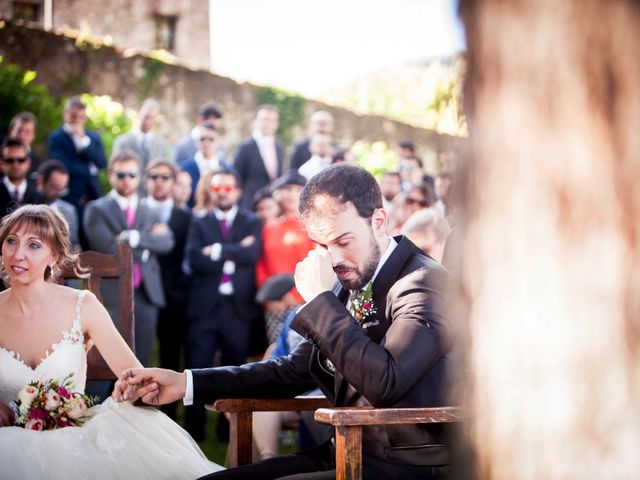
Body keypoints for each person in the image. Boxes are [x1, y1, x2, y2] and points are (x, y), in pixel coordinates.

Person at [120, 164, 460, 480]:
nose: (335, 259)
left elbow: (385, 382)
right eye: (323, 245)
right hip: (344, 453)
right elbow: (293, 371)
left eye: (343, 241)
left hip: (406, 467)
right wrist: (186, 382)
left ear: (378, 221)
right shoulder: (349, 279)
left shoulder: (423, 282)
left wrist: (319, 301)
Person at [0, 204, 221, 479]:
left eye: (33, 245)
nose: (18, 254)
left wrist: (129, 388)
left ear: (54, 256)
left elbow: (136, 376)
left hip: (73, 437)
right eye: (11, 241)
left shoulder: (83, 304)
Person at [183, 169, 263, 441]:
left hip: (238, 308)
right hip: (204, 307)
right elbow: (194, 259)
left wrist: (216, 251)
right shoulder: (199, 222)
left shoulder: (251, 221)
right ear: (211, 191)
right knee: (198, 367)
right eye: (218, 188)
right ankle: (194, 430)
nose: (222, 192)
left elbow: (252, 254)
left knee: (235, 368)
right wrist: (234, 252)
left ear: (237, 191)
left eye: (228, 188)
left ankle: (228, 431)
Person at [83, 151, 174, 367]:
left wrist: (133, 237)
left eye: (132, 174)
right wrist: (147, 243)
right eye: (121, 174)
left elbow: (167, 242)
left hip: (146, 295)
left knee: (139, 362)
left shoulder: (148, 209)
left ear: (139, 176)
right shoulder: (96, 209)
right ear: (111, 175)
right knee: (103, 364)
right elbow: (106, 247)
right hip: (111, 296)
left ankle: (137, 402)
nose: (127, 179)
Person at [144, 158, 192, 419]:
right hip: (139, 293)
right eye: (154, 177)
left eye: (165, 177)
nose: (159, 182)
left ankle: (168, 414)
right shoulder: (138, 212)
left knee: (170, 354)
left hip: (174, 295)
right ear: (146, 180)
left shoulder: (185, 217)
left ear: (173, 184)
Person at [47, 96, 107, 234]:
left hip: (92, 194)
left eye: (81, 116)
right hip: (69, 194)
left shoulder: (93, 138)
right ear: (65, 114)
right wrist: (90, 169)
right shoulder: (56, 138)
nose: (77, 120)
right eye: (73, 115)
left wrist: (83, 142)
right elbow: (63, 165)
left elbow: (101, 163)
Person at [232, 105, 285, 209]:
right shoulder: (244, 147)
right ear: (255, 121)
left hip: (271, 206)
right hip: (248, 204)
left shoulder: (279, 148)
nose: (268, 123)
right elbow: (236, 178)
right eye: (265, 119)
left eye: (272, 120)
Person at [112, 99, 168, 194]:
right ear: (139, 114)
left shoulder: (161, 145)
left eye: (152, 118)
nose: (148, 122)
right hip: (129, 194)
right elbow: (115, 171)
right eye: (146, 116)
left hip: (153, 197)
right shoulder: (122, 142)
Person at [180, 122, 229, 207]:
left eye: (211, 139)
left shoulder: (226, 170)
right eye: (202, 139)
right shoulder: (184, 168)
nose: (206, 143)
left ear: (218, 141)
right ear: (196, 141)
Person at [36, 159, 80, 250]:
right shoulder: (24, 206)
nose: (58, 193)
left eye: (62, 189)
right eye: (54, 187)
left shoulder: (69, 210)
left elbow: (74, 244)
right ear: (40, 181)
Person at [0, 138, 46, 218]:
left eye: (21, 160)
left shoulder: (39, 197)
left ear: (28, 162)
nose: (15, 165)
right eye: (10, 160)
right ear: (1, 164)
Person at [7, 112, 43, 179]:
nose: (22, 135)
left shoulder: (39, 164)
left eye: (28, 132)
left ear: (34, 135)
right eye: (19, 130)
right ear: (10, 131)